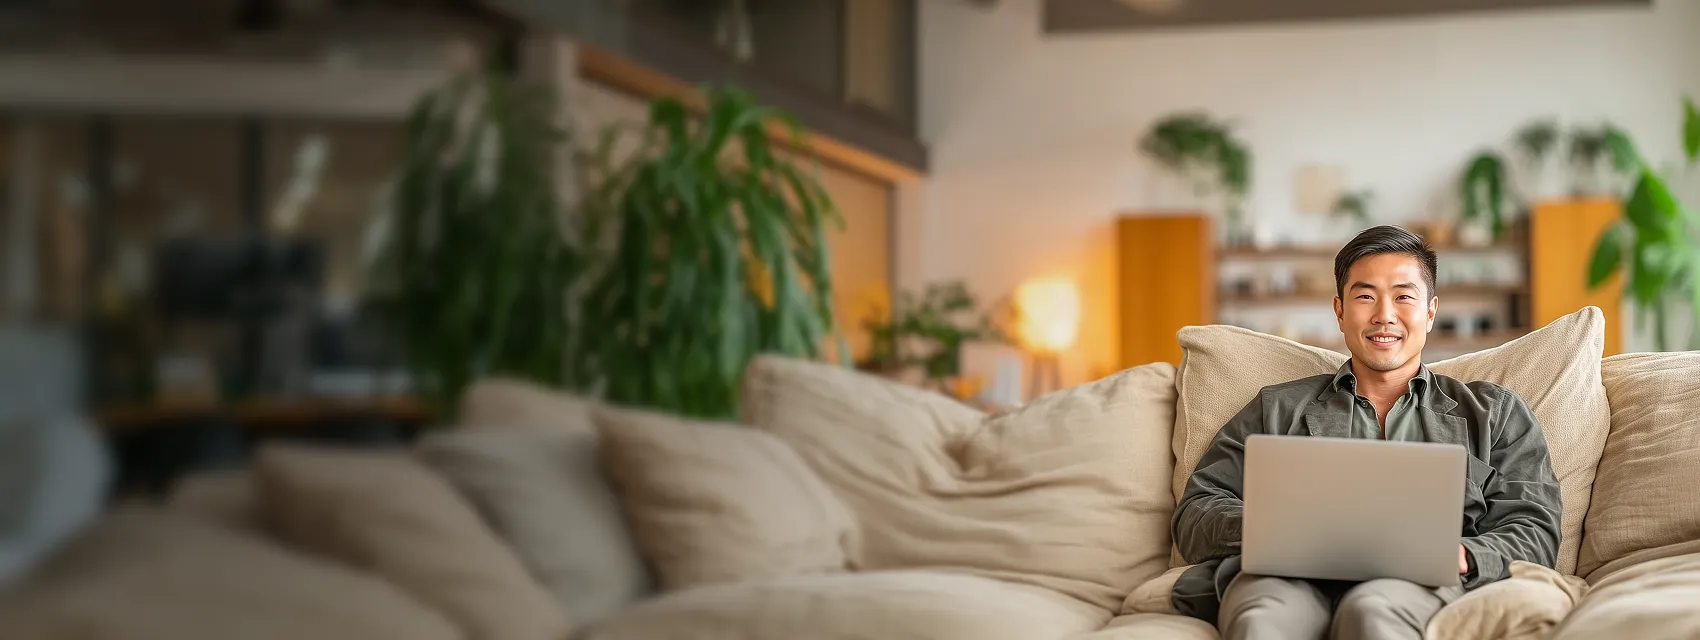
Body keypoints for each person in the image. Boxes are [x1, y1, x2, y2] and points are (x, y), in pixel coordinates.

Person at [1169, 225, 1561, 640]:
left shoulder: (1494, 414)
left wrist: (1465, 554)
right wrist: (1268, 527)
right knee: (1263, 617)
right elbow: (1196, 513)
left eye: (1404, 296)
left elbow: (1534, 527)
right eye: (1365, 295)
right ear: (1339, 310)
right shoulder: (1276, 408)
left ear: (1430, 311)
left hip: (1416, 587)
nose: (1384, 315)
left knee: (1372, 611)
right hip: (1285, 579)